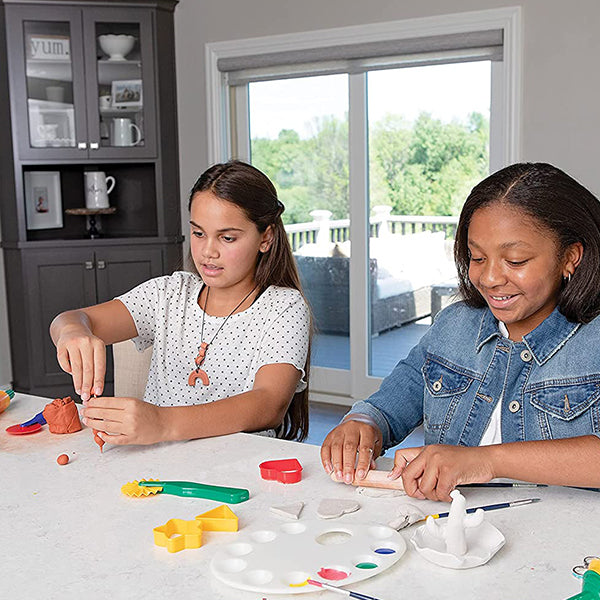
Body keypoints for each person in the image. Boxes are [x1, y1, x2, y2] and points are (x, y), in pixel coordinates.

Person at [321, 162, 600, 501]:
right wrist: (362, 426)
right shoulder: (453, 327)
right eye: (477, 257)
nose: (490, 278)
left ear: (571, 257)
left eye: (515, 261)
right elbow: (385, 408)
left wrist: (484, 461)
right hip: (451, 538)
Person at [50, 160, 311, 445]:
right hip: (158, 467)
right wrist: (71, 332)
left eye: (227, 237)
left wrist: (162, 422)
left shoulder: (284, 307)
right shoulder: (169, 293)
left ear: (266, 237)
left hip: (239, 470)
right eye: (199, 233)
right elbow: (71, 319)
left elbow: (268, 405)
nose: (208, 251)